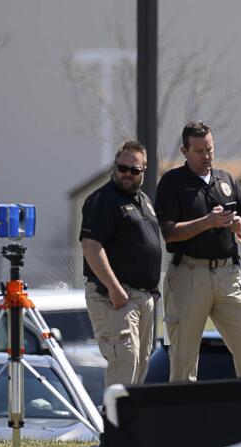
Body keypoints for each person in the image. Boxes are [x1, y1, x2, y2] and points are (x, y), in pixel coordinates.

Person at [154, 120, 241, 381]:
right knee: (183, 356)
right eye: (199, 151)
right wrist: (208, 222)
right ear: (184, 151)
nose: (207, 156)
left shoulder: (225, 180)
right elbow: (169, 232)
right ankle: (182, 419)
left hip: (228, 275)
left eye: (210, 149)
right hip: (189, 274)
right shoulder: (173, 182)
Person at [78, 140, 164, 389]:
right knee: (124, 366)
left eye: (134, 170)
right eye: (122, 167)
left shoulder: (144, 200)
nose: (127, 174)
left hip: (143, 298)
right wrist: (115, 289)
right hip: (116, 297)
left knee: (139, 368)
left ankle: (129, 427)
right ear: (114, 167)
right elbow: (91, 247)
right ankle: (113, 427)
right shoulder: (103, 199)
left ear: (143, 171)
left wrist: (152, 294)